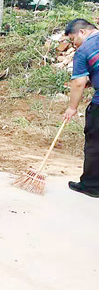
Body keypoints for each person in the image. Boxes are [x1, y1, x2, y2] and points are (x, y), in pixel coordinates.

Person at [64, 19, 99, 197]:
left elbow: (78, 83)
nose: (73, 44)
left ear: (82, 33)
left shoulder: (84, 50)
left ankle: (92, 186)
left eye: (73, 40)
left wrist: (72, 108)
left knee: (95, 144)